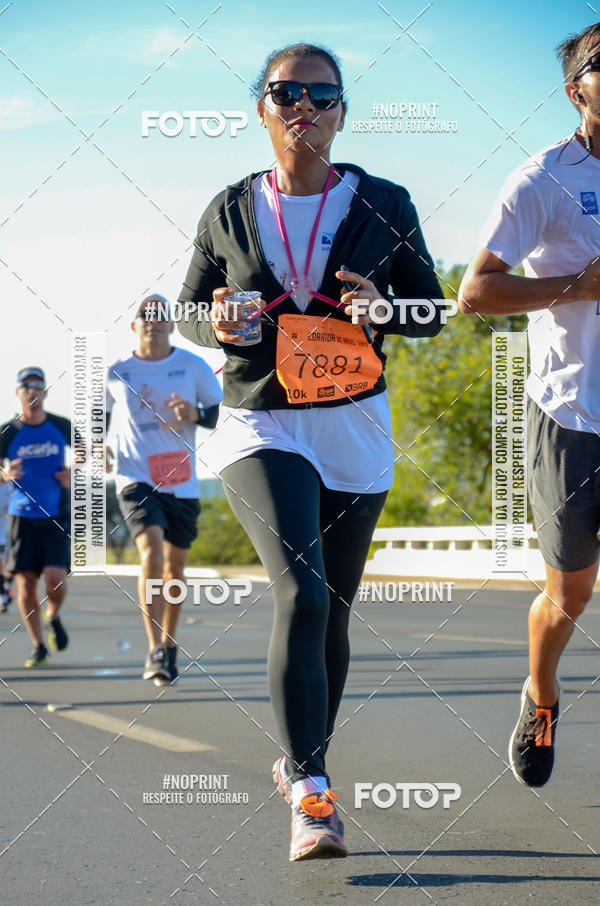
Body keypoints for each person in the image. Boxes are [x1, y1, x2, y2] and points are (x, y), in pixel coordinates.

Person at [178, 43, 443, 861]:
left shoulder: (385, 202)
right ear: (261, 108)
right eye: (285, 93)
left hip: (354, 421)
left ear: (341, 114)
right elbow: (185, 312)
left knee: (335, 612)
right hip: (263, 420)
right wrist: (214, 324)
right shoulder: (228, 208)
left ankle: (299, 759)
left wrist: (388, 309)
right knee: (303, 592)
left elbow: (435, 309)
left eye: (321, 96)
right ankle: (314, 794)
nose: (304, 108)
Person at [459, 23, 600, 788]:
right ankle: (541, 693)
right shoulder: (542, 179)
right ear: (576, 87)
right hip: (572, 417)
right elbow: (476, 293)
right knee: (569, 595)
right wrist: (576, 287)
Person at [106, 294, 222, 686]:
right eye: (145, 314)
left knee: (175, 569)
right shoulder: (117, 372)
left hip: (181, 479)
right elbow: (93, 424)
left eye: (160, 315)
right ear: (134, 324)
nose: (153, 320)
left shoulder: (193, 366)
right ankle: (154, 645)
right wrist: (98, 451)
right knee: (151, 556)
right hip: (135, 477)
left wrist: (195, 414)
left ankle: (169, 643)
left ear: (172, 325)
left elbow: (217, 412)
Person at [0, 368, 72, 666]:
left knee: (55, 579)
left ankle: (52, 614)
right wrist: (4, 475)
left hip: (55, 514)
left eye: (38, 386)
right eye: (26, 386)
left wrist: (74, 472)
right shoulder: (7, 432)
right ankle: (38, 645)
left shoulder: (61, 425)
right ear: (18, 392)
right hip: (20, 517)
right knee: (26, 584)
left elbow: (89, 451)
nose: (32, 391)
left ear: (45, 391)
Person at [0, 480, 14, 612]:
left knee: (5, 569)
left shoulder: (10, 486)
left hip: (6, 535)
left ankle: (5, 590)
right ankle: (4, 595)